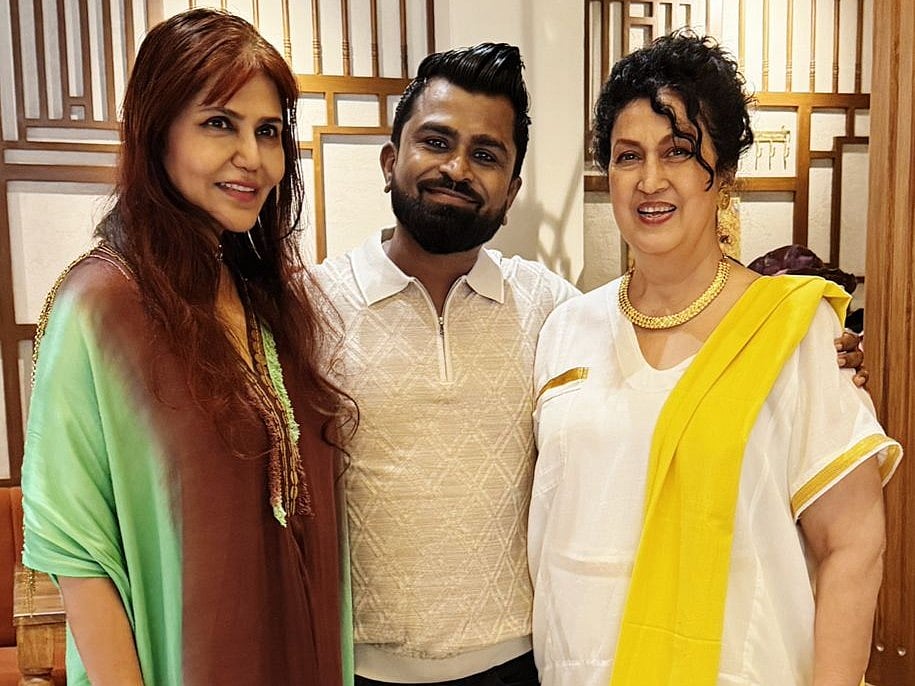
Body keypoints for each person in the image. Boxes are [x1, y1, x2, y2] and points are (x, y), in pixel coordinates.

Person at [528, 32, 902, 686]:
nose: (650, 180)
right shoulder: (565, 329)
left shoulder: (792, 331)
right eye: (627, 156)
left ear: (723, 174)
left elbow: (851, 545)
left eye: (678, 151)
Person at [21, 9, 354, 685]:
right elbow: (78, 559)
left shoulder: (266, 301)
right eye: (219, 124)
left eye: (268, 131)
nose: (252, 157)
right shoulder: (100, 306)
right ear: (157, 133)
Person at [315, 43, 578, 685]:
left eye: (486, 155)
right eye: (436, 142)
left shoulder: (552, 308)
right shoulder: (311, 305)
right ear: (390, 161)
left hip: (518, 664)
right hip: (357, 668)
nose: (457, 169)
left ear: (510, 192)